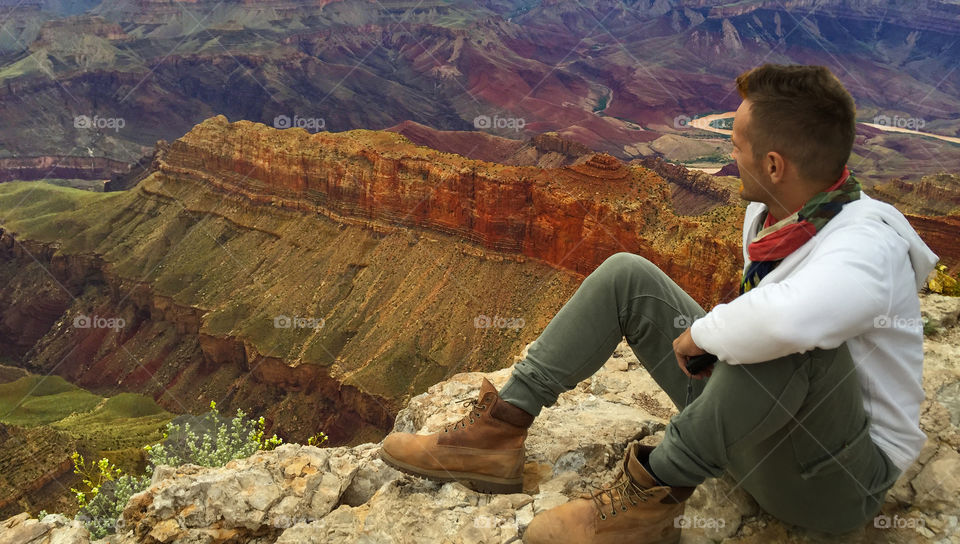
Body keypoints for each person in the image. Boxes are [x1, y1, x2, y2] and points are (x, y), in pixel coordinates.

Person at [379, 63, 938, 544]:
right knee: (629, 276)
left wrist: (705, 335)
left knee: (797, 343)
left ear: (774, 165)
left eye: (735, 147)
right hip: (757, 432)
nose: (728, 156)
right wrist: (716, 342)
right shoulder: (774, 215)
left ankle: (647, 499)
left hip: (833, 480)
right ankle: (495, 434)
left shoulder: (869, 245)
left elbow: (790, 319)